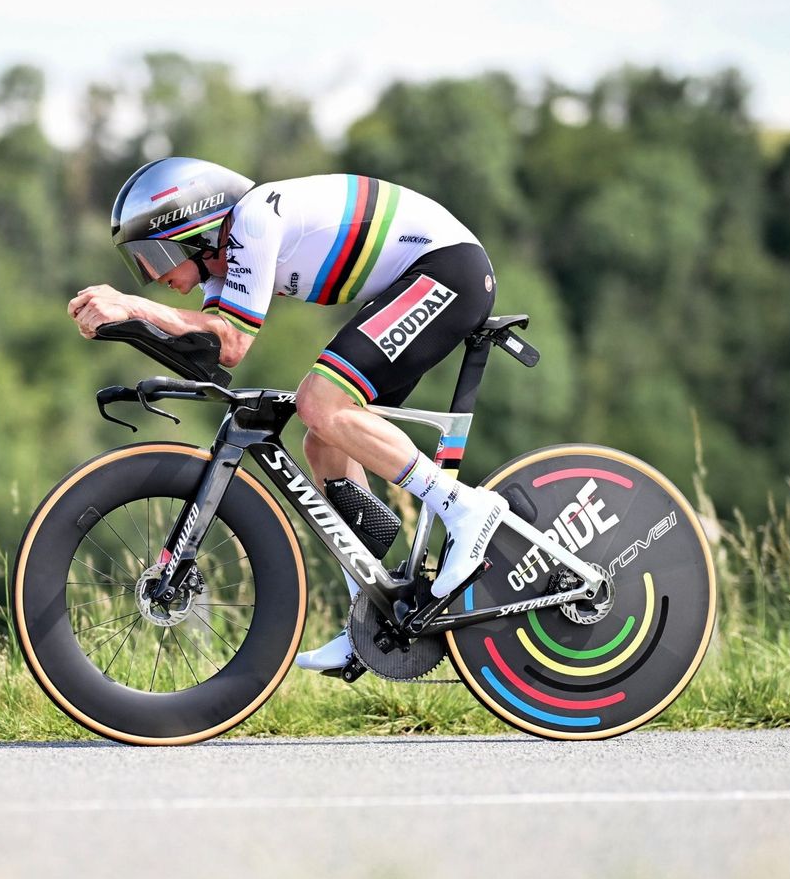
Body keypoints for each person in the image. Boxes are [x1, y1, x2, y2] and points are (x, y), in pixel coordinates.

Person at [68, 156, 509, 672]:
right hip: (416, 279)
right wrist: (128, 328)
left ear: (193, 227)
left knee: (319, 403)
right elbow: (212, 350)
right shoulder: (223, 259)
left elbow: (231, 340)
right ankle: (371, 614)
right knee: (323, 440)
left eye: (152, 253)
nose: (152, 274)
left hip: (447, 269)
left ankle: (465, 509)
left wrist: (131, 307)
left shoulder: (253, 218)